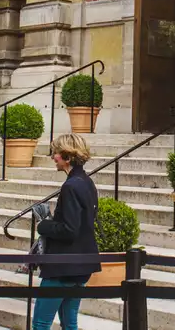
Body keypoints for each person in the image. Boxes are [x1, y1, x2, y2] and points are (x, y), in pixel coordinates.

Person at [32, 134, 100, 330]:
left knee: (41, 323)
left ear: (67, 157)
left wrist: (43, 225)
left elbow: (70, 229)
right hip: (82, 264)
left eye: (55, 153)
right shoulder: (87, 182)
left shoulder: (70, 186)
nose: (53, 157)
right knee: (70, 323)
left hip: (64, 266)